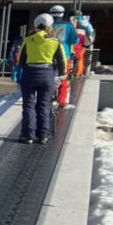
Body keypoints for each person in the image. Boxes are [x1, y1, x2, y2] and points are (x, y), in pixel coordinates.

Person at [17, 13, 66, 145]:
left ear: (36, 24)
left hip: (30, 74)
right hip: (47, 75)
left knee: (28, 105)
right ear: (50, 25)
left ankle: (28, 135)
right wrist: (62, 74)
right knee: (43, 106)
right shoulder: (55, 41)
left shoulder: (29, 39)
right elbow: (62, 61)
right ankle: (43, 135)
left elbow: (20, 59)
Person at [49, 4, 78, 107]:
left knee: (49, 77)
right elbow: (74, 40)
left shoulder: (47, 25)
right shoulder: (69, 25)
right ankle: (62, 102)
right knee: (64, 78)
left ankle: (48, 98)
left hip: (48, 56)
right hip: (64, 55)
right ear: (62, 13)